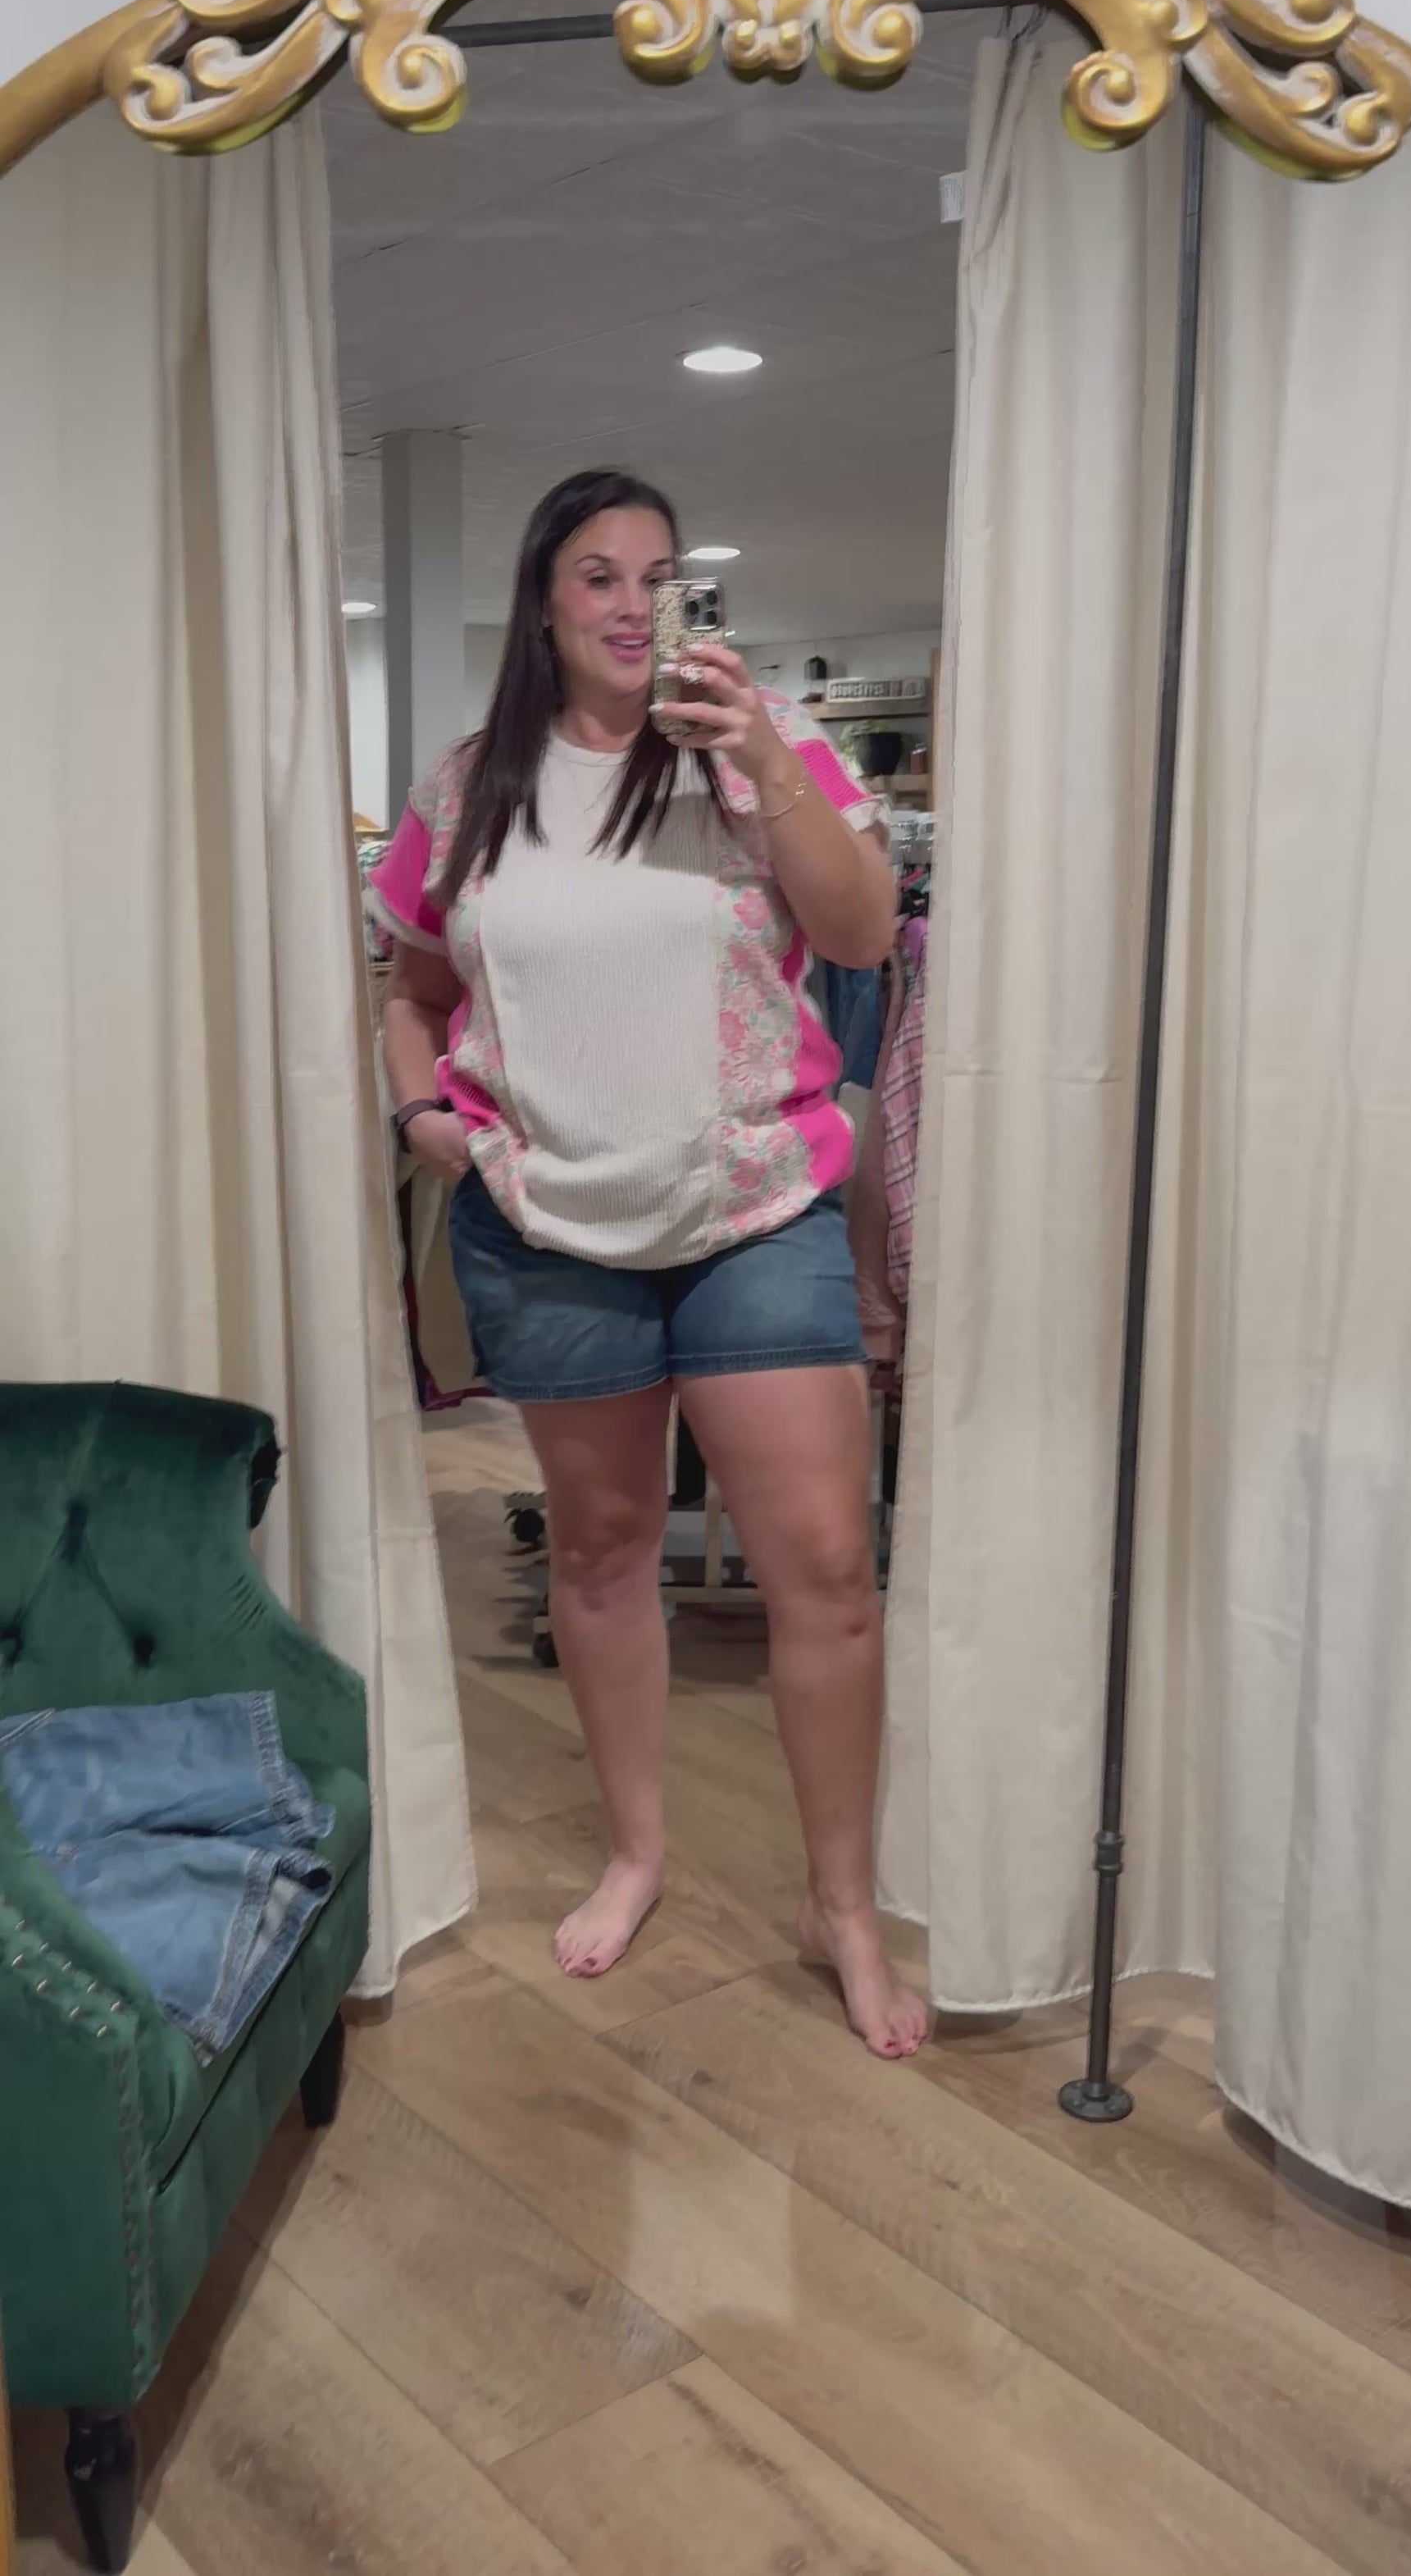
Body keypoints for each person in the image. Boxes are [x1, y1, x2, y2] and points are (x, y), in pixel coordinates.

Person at [370, 467, 928, 2060]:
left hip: (753, 1201)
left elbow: (862, 935)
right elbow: (413, 985)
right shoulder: (469, 784)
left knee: (822, 1565)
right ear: (545, 601)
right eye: (599, 575)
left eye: (659, 576)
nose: (633, 605)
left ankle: (841, 1905)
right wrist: (421, 1114)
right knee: (605, 1552)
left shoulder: (761, 744)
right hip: (547, 1222)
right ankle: (636, 1853)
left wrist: (755, 754)